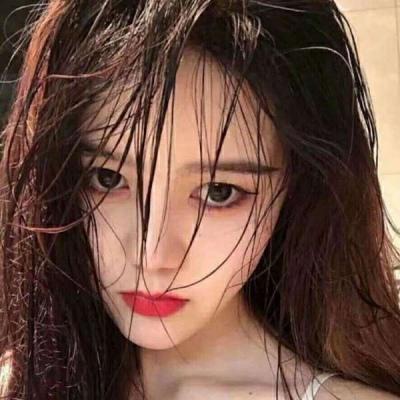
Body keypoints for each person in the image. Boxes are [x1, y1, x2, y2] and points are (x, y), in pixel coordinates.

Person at [0, 0, 399, 399]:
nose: (151, 257)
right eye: (108, 178)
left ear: (297, 191)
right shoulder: (22, 378)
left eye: (218, 193)